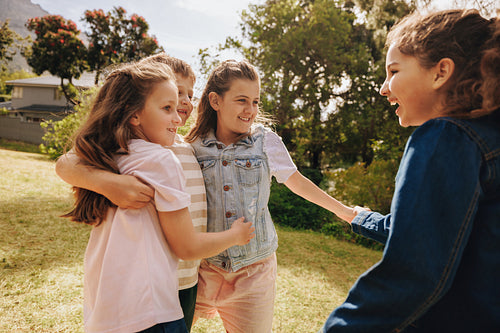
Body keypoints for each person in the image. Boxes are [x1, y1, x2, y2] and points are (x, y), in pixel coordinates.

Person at [320, 9, 500, 332]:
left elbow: (412, 273)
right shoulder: (488, 137)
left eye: (393, 71)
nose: (383, 88)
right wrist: (361, 218)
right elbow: (438, 231)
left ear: (440, 72)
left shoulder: (447, 138)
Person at [62, 59, 255, 333]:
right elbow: (66, 164)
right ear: (136, 110)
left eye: (189, 94)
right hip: (155, 294)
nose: (183, 104)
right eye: (171, 100)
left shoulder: (141, 148)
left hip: (170, 282)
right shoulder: (154, 155)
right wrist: (109, 184)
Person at [182, 59, 361, 333]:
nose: (250, 110)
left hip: (253, 273)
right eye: (242, 100)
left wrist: (344, 212)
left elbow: (297, 182)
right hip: (204, 269)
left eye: (255, 101)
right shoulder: (192, 147)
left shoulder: (265, 141)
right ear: (215, 101)